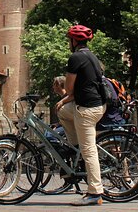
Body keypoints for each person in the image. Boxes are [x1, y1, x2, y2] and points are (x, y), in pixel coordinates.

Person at [55, 24, 106, 206]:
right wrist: (65, 100)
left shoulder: (75, 57)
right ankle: (74, 145)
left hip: (86, 109)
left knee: (89, 151)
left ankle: (95, 192)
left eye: (70, 39)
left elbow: (69, 88)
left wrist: (64, 95)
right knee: (62, 111)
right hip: (97, 105)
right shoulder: (92, 56)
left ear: (74, 40)